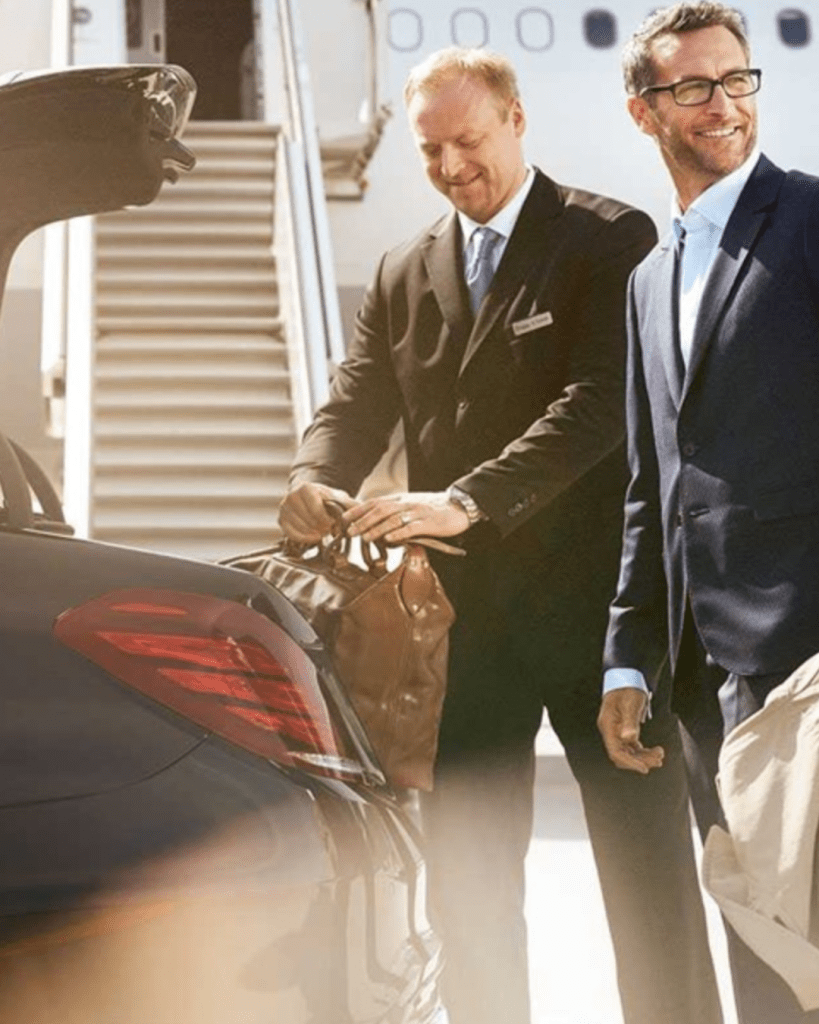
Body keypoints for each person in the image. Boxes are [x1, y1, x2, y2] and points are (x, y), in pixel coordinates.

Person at [281, 46, 720, 1024]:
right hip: (463, 633)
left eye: (468, 141)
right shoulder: (404, 269)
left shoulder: (609, 239)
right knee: (470, 886)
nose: (451, 167)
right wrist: (314, 477)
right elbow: (356, 400)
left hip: (604, 622)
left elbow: (602, 401)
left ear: (516, 120)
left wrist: (467, 501)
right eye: (430, 150)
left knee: (648, 886)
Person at [599, 4, 819, 1022]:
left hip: (804, 665)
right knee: (757, 945)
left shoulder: (809, 220)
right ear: (643, 110)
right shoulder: (649, 279)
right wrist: (628, 656)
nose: (724, 104)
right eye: (693, 86)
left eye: (737, 80)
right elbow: (653, 484)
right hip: (700, 679)